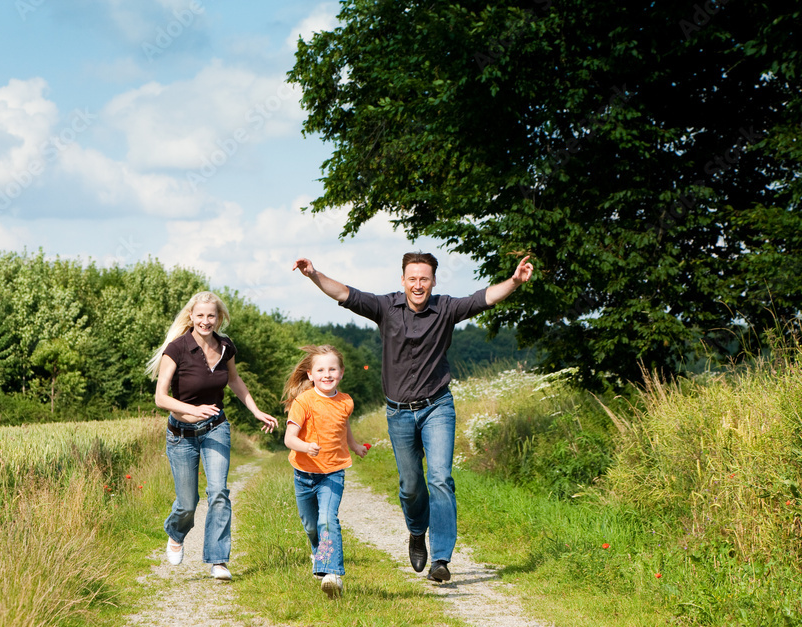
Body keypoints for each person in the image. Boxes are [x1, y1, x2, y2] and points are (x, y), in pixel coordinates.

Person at [291, 252, 533, 582]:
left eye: (424, 278)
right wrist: (313, 274)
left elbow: (483, 298)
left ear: (433, 281)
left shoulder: (446, 308)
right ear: (402, 280)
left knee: (440, 479)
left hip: (437, 408)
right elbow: (345, 293)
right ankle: (417, 531)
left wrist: (515, 282)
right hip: (399, 413)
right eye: (412, 278)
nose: (418, 284)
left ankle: (442, 559)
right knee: (410, 487)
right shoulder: (386, 308)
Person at [146, 291, 279, 581]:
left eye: (212, 315)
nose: (206, 321)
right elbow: (160, 397)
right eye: (200, 315)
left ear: (219, 318)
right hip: (181, 434)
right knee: (187, 503)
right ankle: (176, 532)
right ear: (191, 317)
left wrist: (255, 410)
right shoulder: (177, 349)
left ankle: (218, 560)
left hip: (216, 428)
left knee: (219, 492)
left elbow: (234, 380)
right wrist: (191, 411)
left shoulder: (226, 347)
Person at [282, 344, 367, 598]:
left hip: (333, 472)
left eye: (332, 369)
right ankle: (319, 552)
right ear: (310, 375)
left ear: (341, 373)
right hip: (304, 473)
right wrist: (305, 446)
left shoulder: (346, 401)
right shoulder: (304, 401)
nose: (327, 374)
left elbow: (343, 425)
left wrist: (354, 445)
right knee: (311, 525)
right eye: (321, 370)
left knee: (327, 519)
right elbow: (289, 438)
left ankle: (331, 574)